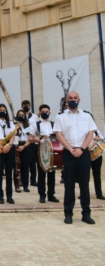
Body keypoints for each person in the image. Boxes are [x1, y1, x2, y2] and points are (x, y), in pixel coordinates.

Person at [54, 91, 96, 225]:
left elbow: (91, 133)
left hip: (83, 152)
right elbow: (59, 135)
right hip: (69, 153)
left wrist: (82, 149)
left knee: (84, 184)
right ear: (67, 101)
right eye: (70, 98)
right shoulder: (61, 116)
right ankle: (68, 213)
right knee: (69, 184)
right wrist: (71, 149)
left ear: (79, 99)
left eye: (75, 98)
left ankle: (86, 213)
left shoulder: (86, 116)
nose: (73, 100)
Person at [31, 104, 60, 204]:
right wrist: (37, 139)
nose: (45, 113)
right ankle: (42, 195)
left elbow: (58, 136)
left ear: (50, 112)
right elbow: (30, 138)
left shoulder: (54, 124)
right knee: (42, 173)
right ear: (39, 113)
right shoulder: (36, 124)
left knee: (52, 173)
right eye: (43, 112)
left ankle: (51, 194)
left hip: (51, 151)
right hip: (41, 151)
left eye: (46, 111)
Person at [0, 104, 16, 205]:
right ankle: (0, 195)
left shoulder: (10, 123)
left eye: (4, 110)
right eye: (1, 110)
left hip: (9, 149)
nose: (3, 111)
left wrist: (9, 145)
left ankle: (9, 195)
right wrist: (1, 147)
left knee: (9, 172)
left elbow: (13, 134)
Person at [15, 109, 32, 193]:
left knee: (25, 167)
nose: (21, 116)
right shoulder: (14, 125)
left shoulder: (27, 125)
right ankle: (17, 185)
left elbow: (30, 138)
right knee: (17, 167)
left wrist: (24, 146)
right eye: (19, 114)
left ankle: (25, 185)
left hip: (25, 146)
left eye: (22, 114)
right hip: (16, 145)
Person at [22, 100, 38, 187]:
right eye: (24, 105)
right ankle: (23, 180)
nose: (26, 106)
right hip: (24, 141)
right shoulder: (20, 116)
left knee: (33, 163)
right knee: (24, 164)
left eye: (28, 105)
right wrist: (27, 130)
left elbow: (35, 127)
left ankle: (33, 180)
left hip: (33, 142)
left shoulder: (34, 117)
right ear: (22, 106)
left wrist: (29, 131)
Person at [91, 127, 105, 200]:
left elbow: (102, 138)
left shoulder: (96, 130)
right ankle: (83, 193)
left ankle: (99, 193)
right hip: (86, 155)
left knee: (97, 175)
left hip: (97, 155)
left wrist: (98, 138)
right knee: (84, 176)